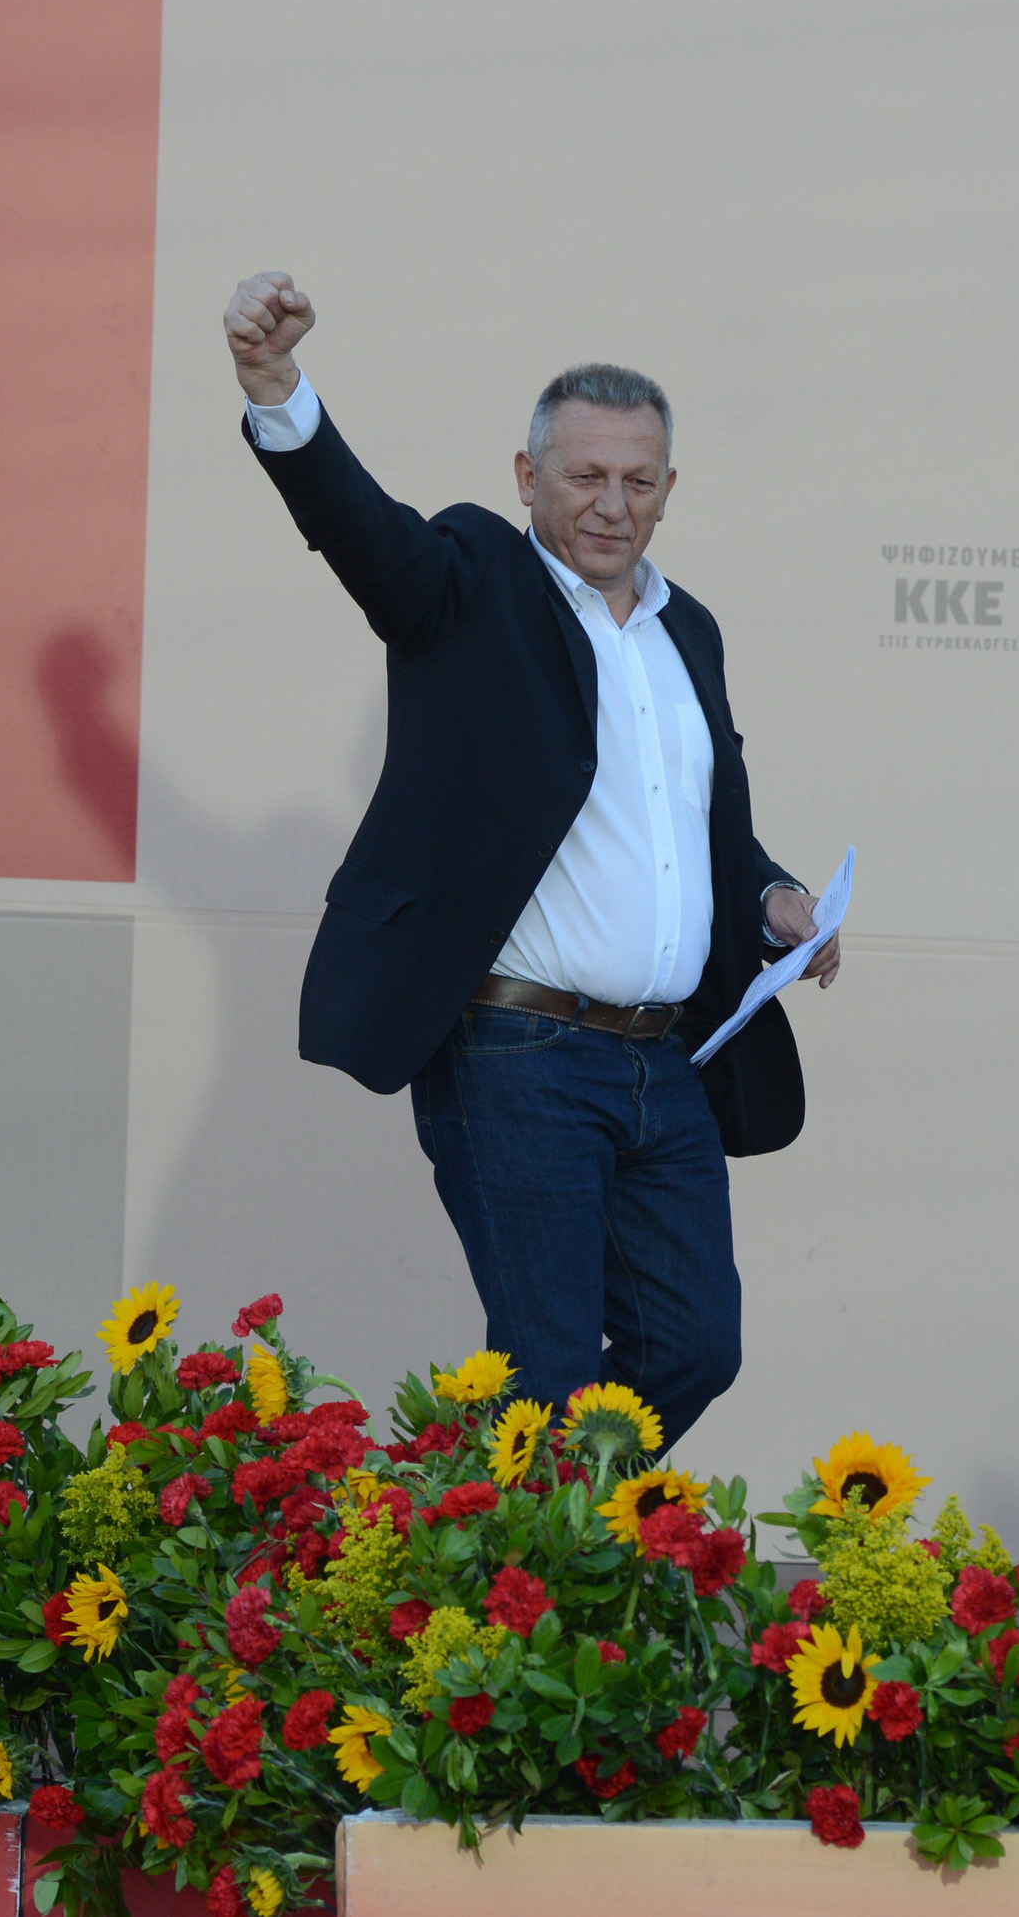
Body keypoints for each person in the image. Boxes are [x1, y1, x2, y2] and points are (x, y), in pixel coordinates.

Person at [222, 270, 835, 1448]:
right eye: (584, 476)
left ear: (668, 491)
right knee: (548, 1372)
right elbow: (367, 537)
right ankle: (523, 1546)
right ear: (527, 476)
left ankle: (504, 1511)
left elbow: (701, 833)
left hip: (668, 1062)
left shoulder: (689, 631)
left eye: (637, 481)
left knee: (692, 1347)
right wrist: (276, 387)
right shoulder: (474, 582)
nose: (611, 504)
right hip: (519, 1054)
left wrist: (774, 897)